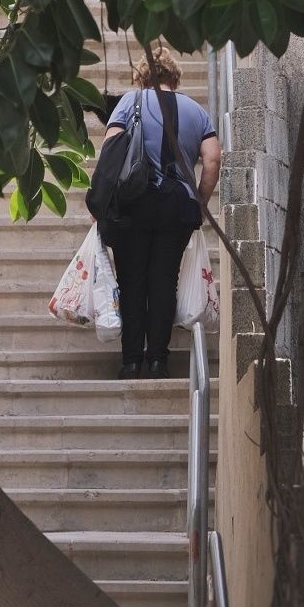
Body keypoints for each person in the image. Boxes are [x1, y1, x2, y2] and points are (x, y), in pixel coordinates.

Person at [98, 46, 221, 379]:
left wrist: (103, 202)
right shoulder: (197, 111)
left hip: (133, 204)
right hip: (177, 206)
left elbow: (110, 150)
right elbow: (212, 159)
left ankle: (131, 361)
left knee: (132, 281)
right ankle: (158, 361)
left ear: (142, 75)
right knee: (164, 281)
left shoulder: (129, 102)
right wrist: (201, 200)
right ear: (175, 77)